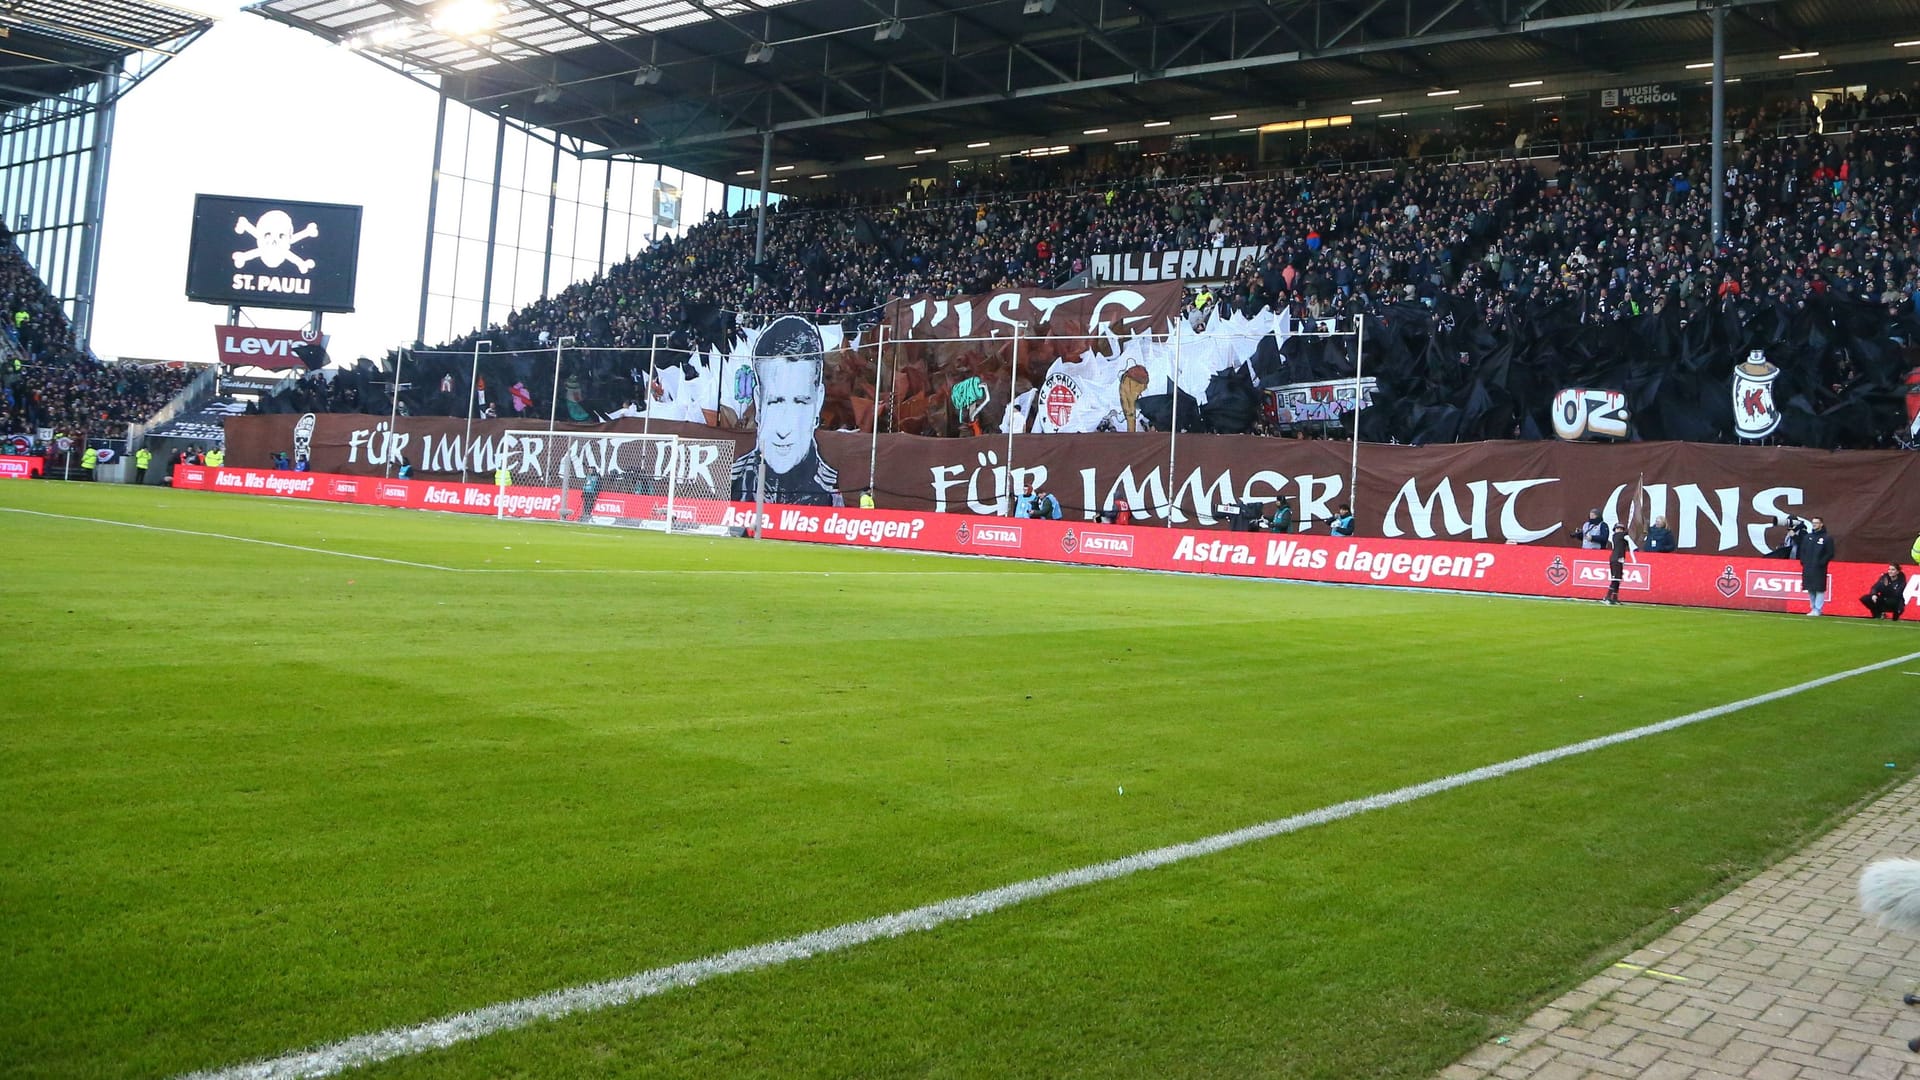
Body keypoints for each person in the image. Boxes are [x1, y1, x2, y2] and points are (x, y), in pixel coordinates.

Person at [728, 315, 839, 506]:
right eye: (775, 402)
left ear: (818, 401)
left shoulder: (832, 490)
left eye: (800, 402)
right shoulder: (734, 481)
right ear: (758, 403)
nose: (784, 430)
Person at [1799, 516, 1835, 616]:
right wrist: (1803, 562)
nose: (1814, 524)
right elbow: (1803, 550)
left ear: (1821, 524)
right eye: (1813, 522)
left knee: (1819, 588)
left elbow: (1830, 553)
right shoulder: (1808, 537)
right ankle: (1813, 607)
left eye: (1816, 523)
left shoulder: (1827, 538)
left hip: (1819, 568)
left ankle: (1818, 609)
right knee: (1810, 588)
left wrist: (1821, 563)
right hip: (1808, 567)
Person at [1604, 521, 1634, 606]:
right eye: (1618, 528)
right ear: (1615, 530)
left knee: (1618, 579)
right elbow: (1625, 536)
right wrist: (1629, 531)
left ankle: (1614, 598)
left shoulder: (1623, 537)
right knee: (1615, 579)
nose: (1620, 530)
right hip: (1616, 559)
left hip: (1620, 559)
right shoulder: (1617, 536)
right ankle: (1607, 597)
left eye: (1621, 529)